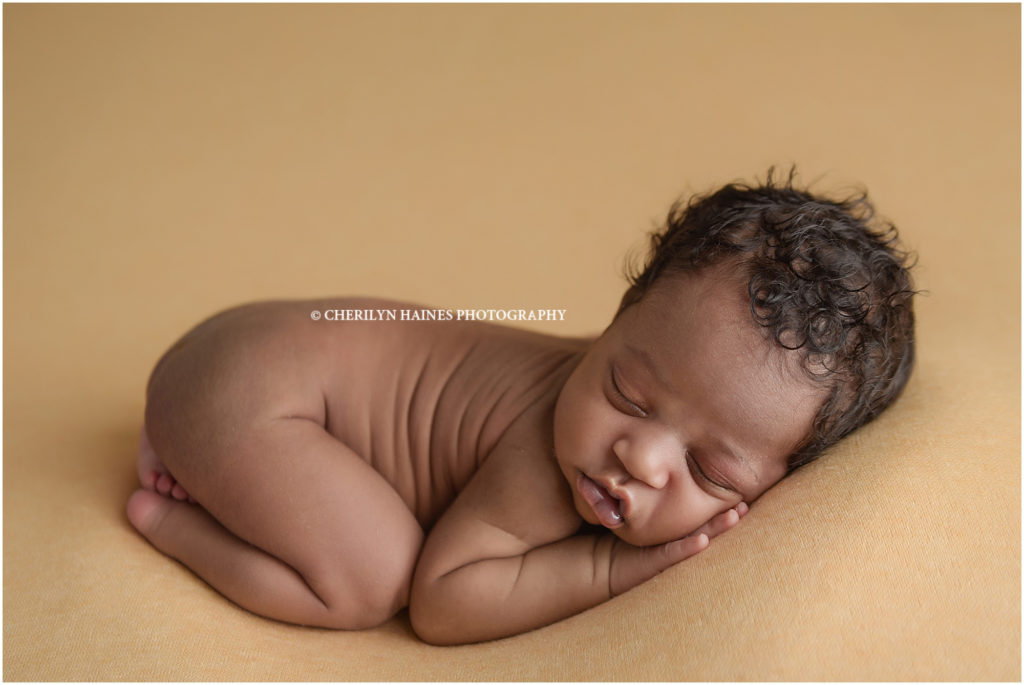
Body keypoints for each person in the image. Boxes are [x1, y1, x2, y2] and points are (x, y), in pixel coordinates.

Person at [126, 168, 916, 645]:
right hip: (249, 390)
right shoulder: (544, 456)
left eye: (708, 467)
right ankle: (173, 518)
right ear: (615, 323)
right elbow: (441, 600)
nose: (637, 455)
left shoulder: (658, 384)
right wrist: (608, 566)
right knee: (372, 581)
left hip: (246, 359)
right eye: (625, 392)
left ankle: (205, 456)